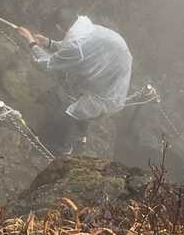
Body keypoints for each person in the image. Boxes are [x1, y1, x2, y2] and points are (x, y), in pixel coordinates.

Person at [17, 10, 133, 157]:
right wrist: (49, 43)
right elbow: (75, 47)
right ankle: (80, 136)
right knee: (81, 105)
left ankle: (62, 148)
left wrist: (31, 42)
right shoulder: (87, 28)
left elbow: (47, 63)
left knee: (68, 114)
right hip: (114, 72)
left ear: (59, 27)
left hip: (107, 88)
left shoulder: (77, 44)